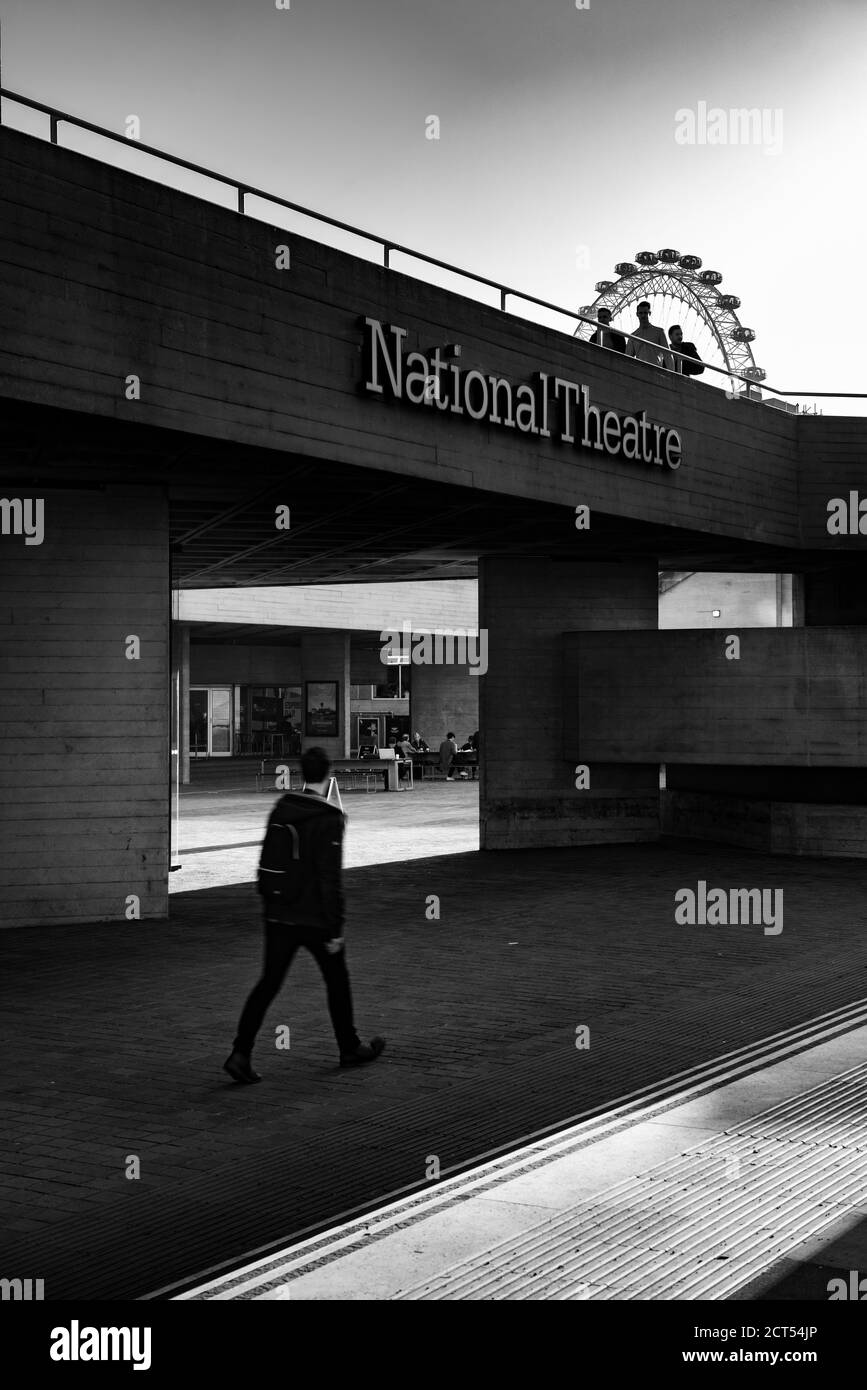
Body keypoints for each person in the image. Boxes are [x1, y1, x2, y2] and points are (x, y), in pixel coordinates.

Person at [224, 746, 385, 1081]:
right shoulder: (328, 818)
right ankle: (349, 1046)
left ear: (301, 773)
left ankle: (241, 1052)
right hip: (313, 917)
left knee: (268, 983)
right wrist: (336, 927)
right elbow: (330, 877)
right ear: (328, 776)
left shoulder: (283, 807)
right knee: (336, 981)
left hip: (279, 912)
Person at [627, 301, 674, 370]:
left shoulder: (659, 332)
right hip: (640, 372)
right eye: (641, 313)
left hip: (656, 372)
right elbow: (628, 358)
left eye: (645, 313)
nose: (643, 315)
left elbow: (667, 355)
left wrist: (672, 375)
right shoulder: (633, 336)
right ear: (637, 314)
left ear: (649, 313)